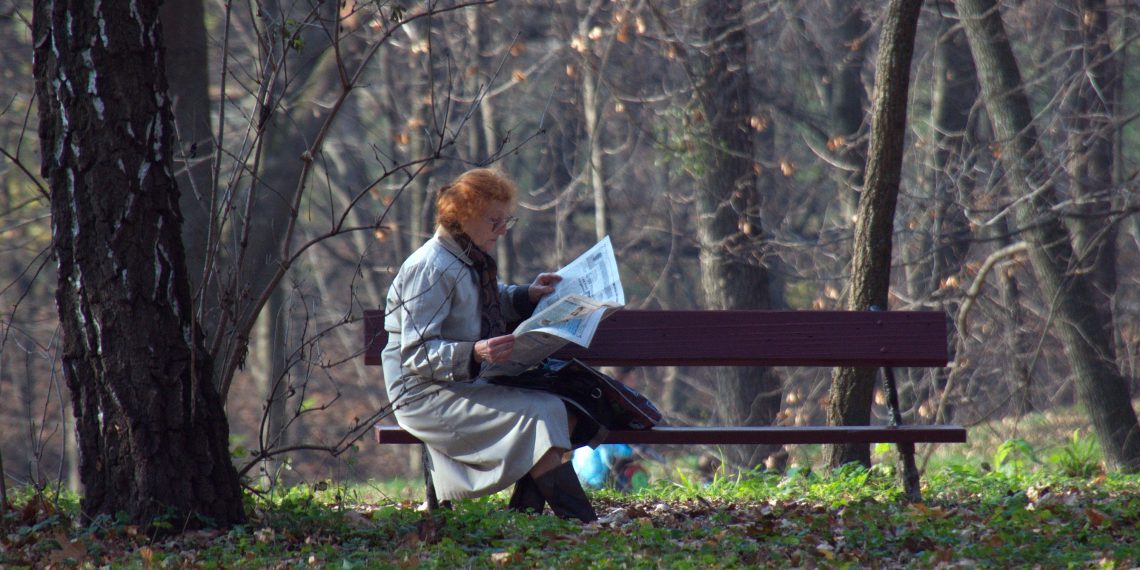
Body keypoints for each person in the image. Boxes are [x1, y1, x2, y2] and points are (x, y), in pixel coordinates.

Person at [381, 167, 598, 522]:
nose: (502, 229)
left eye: (505, 219)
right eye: (494, 220)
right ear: (463, 217)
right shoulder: (431, 267)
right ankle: (582, 523)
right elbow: (415, 355)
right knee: (543, 415)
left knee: (564, 410)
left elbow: (485, 298)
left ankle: (525, 517)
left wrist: (528, 296)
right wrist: (474, 352)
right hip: (425, 395)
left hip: (458, 383)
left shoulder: (465, 257)